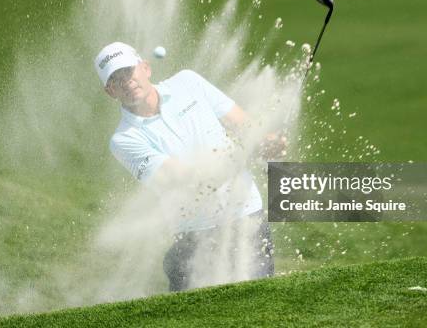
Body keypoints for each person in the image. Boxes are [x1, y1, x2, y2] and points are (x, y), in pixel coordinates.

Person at [94, 41, 285, 291]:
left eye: (128, 72)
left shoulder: (189, 82)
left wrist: (266, 143)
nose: (126, 82)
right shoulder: (124, 139)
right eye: (116, 79)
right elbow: (181, 178)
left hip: (246, 218)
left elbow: (244, 125)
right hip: (195, 235)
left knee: (259, 306)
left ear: (145, 68)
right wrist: (245, 153)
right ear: (110, 92)